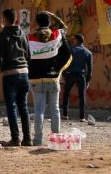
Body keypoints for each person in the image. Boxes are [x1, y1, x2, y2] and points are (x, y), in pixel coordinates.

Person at [0, 8, 31, 147]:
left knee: (11, 107)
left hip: (10, 76)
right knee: (23, 107)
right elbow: (29, 56)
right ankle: (28, 139)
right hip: (24, 74)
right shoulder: (24, 34)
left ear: (5, 19)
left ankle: (15, 138)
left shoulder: (2, 35)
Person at [28, 11, 71, 146]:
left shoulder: (30, 38)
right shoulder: (57, 35)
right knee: (55, 109)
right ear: (49, 22)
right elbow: (66, 53)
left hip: (36, 80)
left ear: (37, 23)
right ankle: (56, 140)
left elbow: (26, 57)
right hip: (53, 79)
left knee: (39, 110)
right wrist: (58, 70)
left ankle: (37, 140)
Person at [62, 33, 93, 122]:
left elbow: (65, 64)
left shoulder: (70, 50)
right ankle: (82, 117)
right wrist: (87, 80)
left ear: (76, 40)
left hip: (70, 74)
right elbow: (90, 69)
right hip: (81, 75)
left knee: (66, 94)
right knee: (82, 96)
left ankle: (65, 114)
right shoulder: (88, 52)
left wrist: (64, 75)